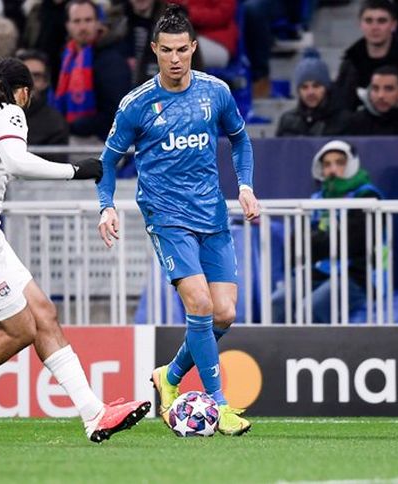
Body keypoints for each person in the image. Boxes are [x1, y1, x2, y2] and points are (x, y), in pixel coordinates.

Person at [0, 57, 150, 446]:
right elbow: (16, 161)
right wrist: (75, 171)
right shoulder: (10, 113)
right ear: (22, 91)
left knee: (43, 314)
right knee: (19, 331)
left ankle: (94, 414)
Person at [95, 5, 258, 436]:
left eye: (182, 50)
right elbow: (108, 161)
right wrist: (106, 205)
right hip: (167, 216)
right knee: (200, 305)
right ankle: (219, 405)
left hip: (212, 214)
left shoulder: (215, 92)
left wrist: (244, 185)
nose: (174, 58)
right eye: (166, 50)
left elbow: (240, 140)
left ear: (193, 48)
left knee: (224, 314)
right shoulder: (137, 105)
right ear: (154, 50)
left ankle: (167, 377)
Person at [271, 140, 383, 324]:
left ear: (351, 165)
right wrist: (326, 241)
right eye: (327, 164)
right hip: (316, 275)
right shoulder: (316, 199)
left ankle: (306, 353)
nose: (333, 169)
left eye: (340, 163)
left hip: (356, 277)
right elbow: (296, 244)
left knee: (311, 309)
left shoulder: (367, 196)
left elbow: (353, 242)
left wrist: (316, 242)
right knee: (277, 302)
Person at [334, 0, 398, 114]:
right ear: (360, 24)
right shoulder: (350, 64)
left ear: (393, 25)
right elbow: (342, 108)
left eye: (381, 21)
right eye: (368, 21)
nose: (374, 27)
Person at [54, 0, 131, 141]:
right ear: (68, 26)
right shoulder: (66, 57)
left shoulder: (111, 59)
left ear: (98, 23)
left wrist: (72, 126)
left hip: (104, 140)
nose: (83, 27)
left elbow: (117, 112)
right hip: (72, 135)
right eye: (77, 21)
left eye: (88, 20)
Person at [276, 48, 351, 137]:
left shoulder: (343, 121)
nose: (310, 92)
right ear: (298, 91)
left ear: (326, 88)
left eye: (316, 86)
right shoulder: (288, 121)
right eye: (304, 87)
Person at [16, 48, 69, 148]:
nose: (29, 82)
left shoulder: (55, 123)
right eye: (23, 75)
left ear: (46, 82)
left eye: (37, 77)